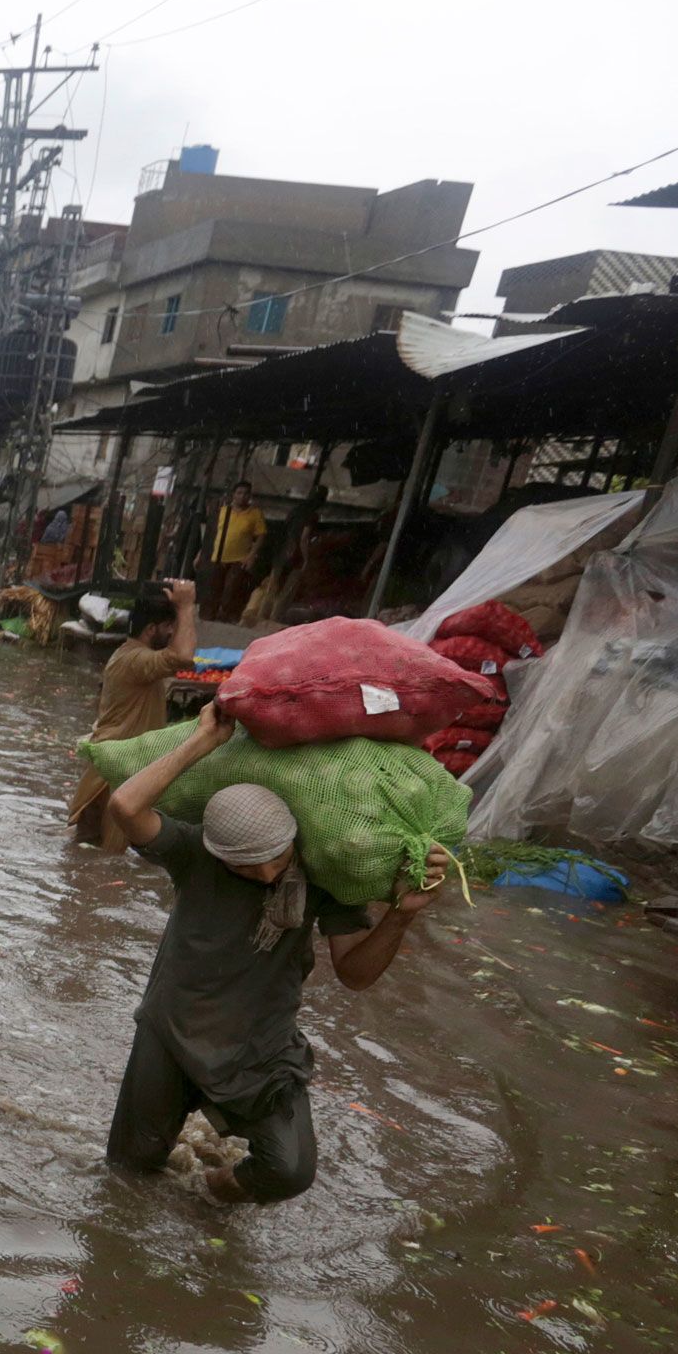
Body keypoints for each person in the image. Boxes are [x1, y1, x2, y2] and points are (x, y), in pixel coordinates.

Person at [101, 703, 449, 1203]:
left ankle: (211, 1190)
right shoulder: (193, 853)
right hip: (171, 1030)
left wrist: (402, 913)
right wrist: (202, 742)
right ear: (218, 852)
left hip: (260, 1047)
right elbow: (125, 807)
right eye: (245, 868)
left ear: (294, 840)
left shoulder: (324, 876)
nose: (266, 876)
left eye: (276, 859)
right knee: (128, 1172)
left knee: (289, 1171)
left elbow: (354, 974)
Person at [66, 578, 199, 846]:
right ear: (151, 629)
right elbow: (184, 657)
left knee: (92, 849)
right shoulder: (135, 660)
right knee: (102, 853)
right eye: (169, 628)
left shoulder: (130, 656)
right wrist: (186, 607)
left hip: (117, 764)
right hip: (116, 769)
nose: (174, 634)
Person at [209, 481, 267, 608]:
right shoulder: (223, 511)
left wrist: (251, 555)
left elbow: (261, 536)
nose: (242, 496)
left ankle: (224, 614)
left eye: (246, 493)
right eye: (239, 493)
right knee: (214, 589)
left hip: (239, 558)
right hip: (219, 556)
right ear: (233, 495)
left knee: (231, 588)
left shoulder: (255, 514)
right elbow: (213, 534)